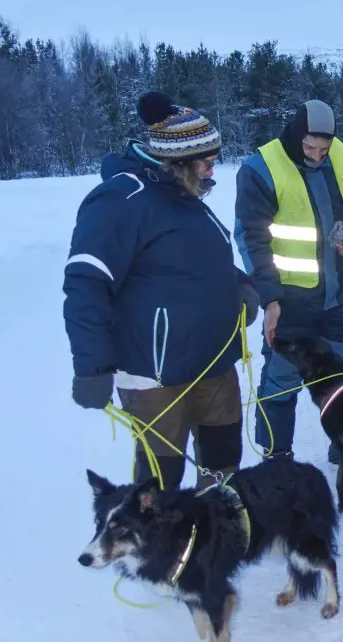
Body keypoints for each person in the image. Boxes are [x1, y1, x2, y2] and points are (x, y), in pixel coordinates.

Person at [63, 91, 260, 491]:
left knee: (223, 465)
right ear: (176, 161)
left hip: (214, 367)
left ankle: (215, 542)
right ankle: (161, 552)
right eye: (206, 162)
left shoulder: (187, 198)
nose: (211, 171)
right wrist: (91, 366)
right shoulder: (121, 199)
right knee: (160, 485)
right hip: (156, 377)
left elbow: (197, 260)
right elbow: (86, 283)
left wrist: (240, 284)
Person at [233, 99, 343, 474]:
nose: (318, 156)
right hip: (291, 300)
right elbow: (251, 238)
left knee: (341, 376)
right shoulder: (261, 168)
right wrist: (270, 298)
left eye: (324, 148)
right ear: (294, 134)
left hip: (341, 296)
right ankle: (277, 462)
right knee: (281, 382)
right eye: (309, 148)